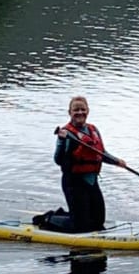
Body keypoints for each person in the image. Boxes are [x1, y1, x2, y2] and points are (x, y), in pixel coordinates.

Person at [45, 96, 126, 233]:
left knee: (98, 221)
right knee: (80, 226)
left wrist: (116, 161)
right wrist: (60, 141)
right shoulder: (66, 133)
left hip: (91, 181)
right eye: (76, 110)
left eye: (83, 109)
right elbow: (58, 160)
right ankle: (48, 218)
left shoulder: (93, 129)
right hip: (73, 182)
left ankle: (69, 214)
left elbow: (100, 153)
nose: (80, 112)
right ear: (70, 112)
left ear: (88, 111)